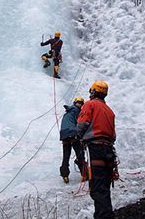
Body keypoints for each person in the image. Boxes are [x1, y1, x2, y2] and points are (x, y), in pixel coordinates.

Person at [77, 81, 118, 219]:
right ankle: (103, 214)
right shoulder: (109, 110)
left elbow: (82, 124)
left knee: (97, 187)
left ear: (93, 92)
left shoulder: (90, 105)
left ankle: (104, 216)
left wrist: (78, 136)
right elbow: (113, 135)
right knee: (104, 186)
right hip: (108, 150)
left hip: (95, 149)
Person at [59, 96, 86, 183]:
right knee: (79, 153)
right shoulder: (77, 110)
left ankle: (65, 175)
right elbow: (80, 123)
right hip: (72, 133)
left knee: (66, 156)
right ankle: (84, 173)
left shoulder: (68, 112)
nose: (79, 105)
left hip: (64, 134)